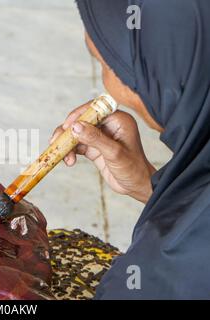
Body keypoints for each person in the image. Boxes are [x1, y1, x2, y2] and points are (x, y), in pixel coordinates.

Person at [51, 0, 210, 299]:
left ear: (167, 78)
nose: (106, 86)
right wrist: (150, 185)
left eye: (106, 64)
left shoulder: (167, 271)